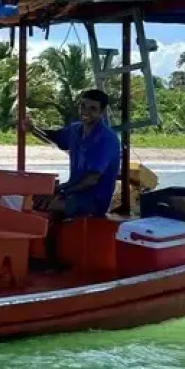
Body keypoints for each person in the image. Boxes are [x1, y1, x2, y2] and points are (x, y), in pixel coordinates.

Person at [29, 88, 122, 264]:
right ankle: (46, 255)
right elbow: (54, 137)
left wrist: (61, 190)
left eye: (93, 109)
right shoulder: (75, 130)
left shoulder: (107, 139)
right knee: (36, 199)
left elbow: (92, 179)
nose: (86, 111)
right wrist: (32, 129)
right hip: (74, 191)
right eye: (83, 106)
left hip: (95, 199)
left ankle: (50, 259)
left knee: (49, 204)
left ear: (102, 112)